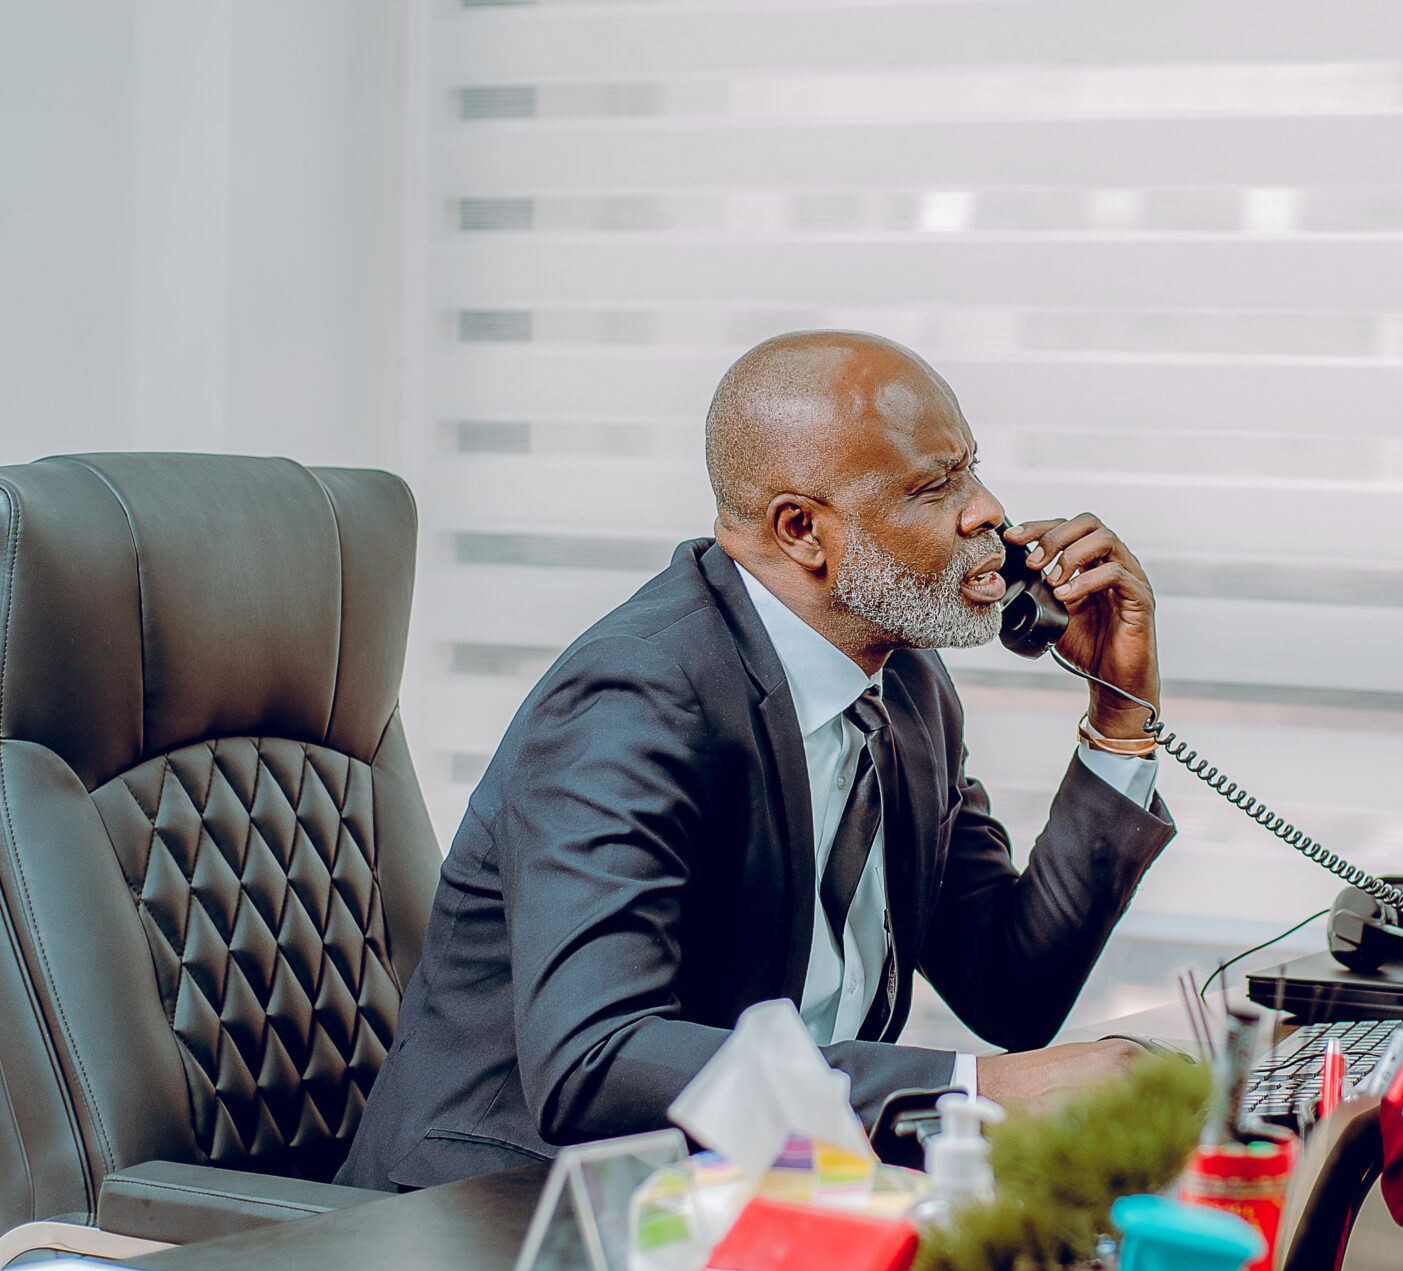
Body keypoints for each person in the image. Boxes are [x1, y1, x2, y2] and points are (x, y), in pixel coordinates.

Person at [338, 331, 1177, 1191]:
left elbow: (1011, 990)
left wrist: (1119, 715)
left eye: (972, 468)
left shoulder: (908, 686)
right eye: (937, 486)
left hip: (762, 1191)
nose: (989, 512)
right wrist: (974, 1090)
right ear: (802, 529)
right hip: (511, 1207)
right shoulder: (632, 702)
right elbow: (596, 1060)